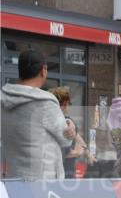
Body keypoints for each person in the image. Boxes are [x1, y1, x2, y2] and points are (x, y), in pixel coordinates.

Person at [0, 49, 75, 179]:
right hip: (43, 185)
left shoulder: (3, 98)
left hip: (13, 180)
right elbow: (66, 140)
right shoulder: (46, 102)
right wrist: (71, 126)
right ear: (44, 70)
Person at [49, 86, 94, 178]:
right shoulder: (52, 122)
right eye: (62, 104)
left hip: (68, 171)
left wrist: (88, 154)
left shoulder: (69, 121)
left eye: (67, 104)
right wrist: (74, 153)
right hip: (55, 172)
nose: (66, 107)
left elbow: (78, 138)